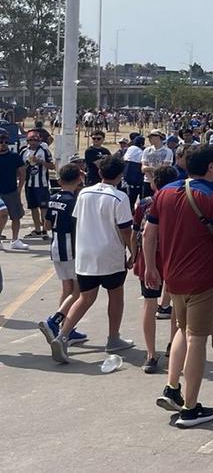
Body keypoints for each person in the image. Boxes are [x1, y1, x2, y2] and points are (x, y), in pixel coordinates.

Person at [142, 145, 213, 428]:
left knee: (183, 330)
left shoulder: (165, 192)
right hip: (205, 278)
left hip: (173, 276)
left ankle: (172, 388)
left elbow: (149, 233)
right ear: (210, 167)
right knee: (197, 339)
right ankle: (191, 408)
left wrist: (150, 267)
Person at [46, 155, 135, 363]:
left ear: (100, 173)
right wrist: (133, 252)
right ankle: (113, 338)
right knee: (115, 295)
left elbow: (76, 222)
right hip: (110, 255)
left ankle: (63, 335)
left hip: (85, 254)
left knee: (85, 297)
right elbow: (125, 230)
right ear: (120, 175)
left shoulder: (84, 193)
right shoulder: (119, 197)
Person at [132, 165, 179, 373]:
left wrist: (133, 256)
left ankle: (150, 354)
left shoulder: (144, 203)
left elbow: (136, 233)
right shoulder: (178, 202)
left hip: (148, 257)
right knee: (176, 304)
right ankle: (173, 344)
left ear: (153, 183)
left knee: (149, 304)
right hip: (173, 256)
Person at [37, 164, 89, 349]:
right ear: (78, 179)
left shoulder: (53, 198)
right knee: (78, 291)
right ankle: (55, 320)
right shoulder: (73, 201)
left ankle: (67, 326)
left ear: (60, 180)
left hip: (56, 247)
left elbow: (48, 225)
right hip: (71, 248)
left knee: (66, 288)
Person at [0, 131, 29, 250]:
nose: (3, 144)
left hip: (11, 190)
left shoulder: (14, 156)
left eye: (6, 142)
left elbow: (22, 172)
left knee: (16, 216)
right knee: (2, 214)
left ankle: (15, 240)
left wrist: (19, 188)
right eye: (1, 142)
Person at [21, 130, 53, 237]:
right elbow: (19, 169)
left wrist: (41, 162)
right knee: (33, 207)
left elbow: (52, 166)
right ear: (27, 141)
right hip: (29, 184)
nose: (33, 142)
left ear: (39, 140)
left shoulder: (44, 151)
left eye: (35, 140)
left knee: (43, 207)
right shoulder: (23, 152)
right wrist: (26, 165)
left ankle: (45, 230)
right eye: (31, 140)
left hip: (42, 184)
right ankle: (37, 229)